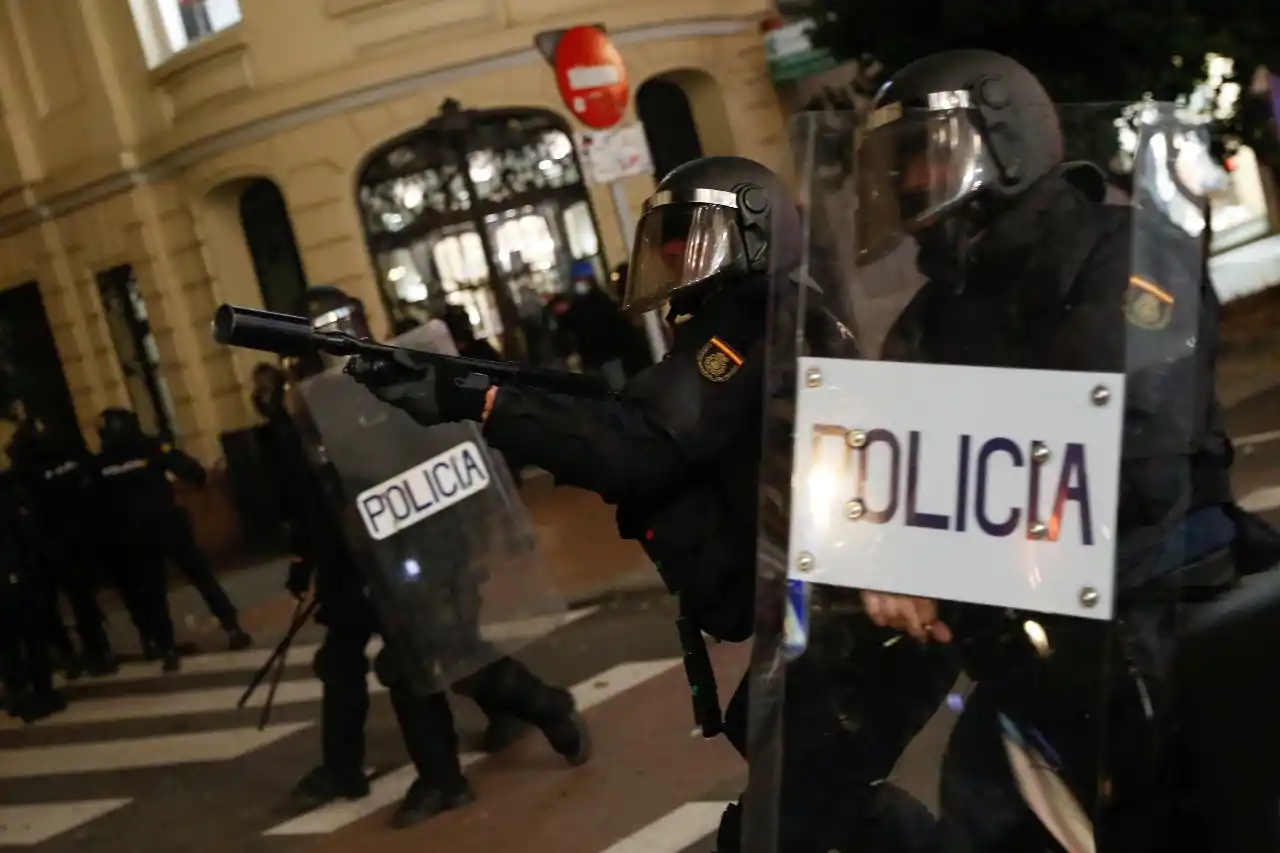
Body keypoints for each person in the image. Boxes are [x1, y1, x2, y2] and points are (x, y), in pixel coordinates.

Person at [343, 155, 957, 851]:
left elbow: (641, 443)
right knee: (816, 794)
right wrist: (487, 390)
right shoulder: (768, 317)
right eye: (667, 243)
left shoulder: (752, 325)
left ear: (750, 234)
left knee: (775, 826)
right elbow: (640, 418)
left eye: (690, 238)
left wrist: (480, 402)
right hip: (827, 614)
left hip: (857, 617)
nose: (674, 256)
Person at [793, 49, 1275, 850]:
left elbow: (1128, 432)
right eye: (897, 162)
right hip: (1028, 636)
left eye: (925, 152)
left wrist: (935, 544)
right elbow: (888, 466)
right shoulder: (932, 309)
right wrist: (869, 547)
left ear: (1003, 135)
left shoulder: (1126, 251)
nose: (910, 181)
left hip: (1151, 607)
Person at [271, 287, 591, 829]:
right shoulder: (310, 407)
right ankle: (422, 773)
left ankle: (536, 713)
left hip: (424, 548)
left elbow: (444, 451)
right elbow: (319, 499)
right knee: (381, 663)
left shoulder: (394, 377)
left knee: (430, 658)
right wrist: (312, 566)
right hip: (361, 555)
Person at [95, 408, 251, 671]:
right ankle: (232, 627)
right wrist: (199, 478)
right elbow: (188, 468)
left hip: (134, 533)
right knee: (200, 575)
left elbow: (97, 503)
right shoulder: (149, 446)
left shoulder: (102, 463)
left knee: (153, 590)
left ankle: (167, 647)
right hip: (167, 523)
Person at [7, 409, 118, 676]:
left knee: (54, 604)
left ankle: (75, 653)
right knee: (80, 600)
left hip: (48, 543)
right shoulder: (67, 456)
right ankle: (93, 650)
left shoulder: (25, 470)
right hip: (68, 540)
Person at [0, 469, 67, 722]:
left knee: (18, 641)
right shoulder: (12, 494)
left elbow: (26, 536)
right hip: (14, 578)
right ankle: (31, 691)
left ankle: (29, 691)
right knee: (22, 640)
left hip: (14, 579)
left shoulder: (11, 494)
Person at [562, 260, 629, 390]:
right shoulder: (575, 305)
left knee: (618, 391)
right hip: (591, 360)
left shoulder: (602, 300)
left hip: (608, 357)